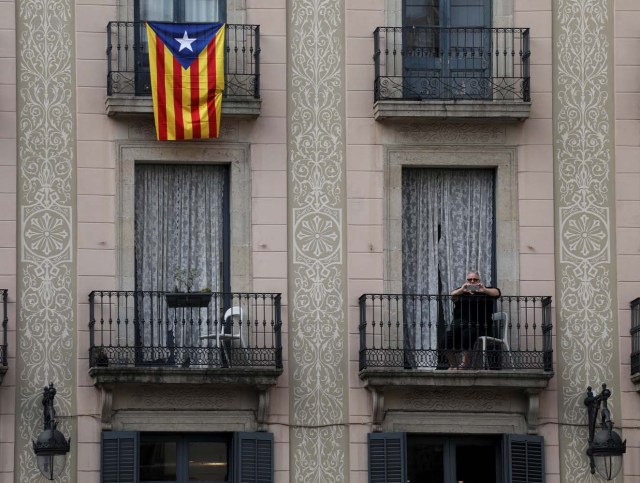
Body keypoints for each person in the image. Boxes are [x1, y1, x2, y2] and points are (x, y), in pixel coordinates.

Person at [443, 270, 501, 370]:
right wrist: (462, 290)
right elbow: (452, 294)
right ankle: (453, 364)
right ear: (466, 281)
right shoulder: (462, 292)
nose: (472, 281)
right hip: (460, 324)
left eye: (475, 279)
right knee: (445, 339)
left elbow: (497, 293)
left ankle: (465, 363)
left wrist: (484, 290)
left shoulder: (486, 291)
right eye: (470, 280)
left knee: (467, 333)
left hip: (479, 325)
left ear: (479, 280)